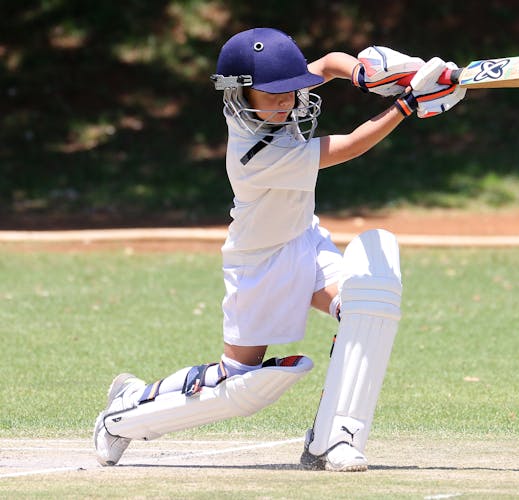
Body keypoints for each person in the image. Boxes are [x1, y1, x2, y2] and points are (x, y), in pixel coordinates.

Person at [93, 27, 465, 472]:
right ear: (239, 94)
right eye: (273, 95)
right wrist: (405, 105)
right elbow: (348, 146)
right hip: (259, 263)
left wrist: (365, 75)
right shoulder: (255, 152)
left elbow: (327, 64)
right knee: (242, 386)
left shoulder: (265, 96)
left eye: (290, 91)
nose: (286, 101)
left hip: (304, 239)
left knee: (367, 306)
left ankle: (332, 440)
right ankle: (124, 414)